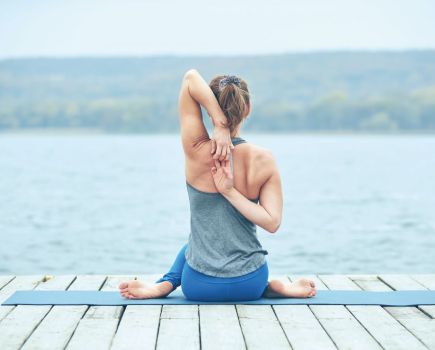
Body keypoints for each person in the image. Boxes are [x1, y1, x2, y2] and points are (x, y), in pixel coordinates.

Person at [118, 69, 316, 301]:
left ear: (207, 108)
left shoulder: (197, 149)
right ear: (248, 108)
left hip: (198, 285)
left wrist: (219, 124)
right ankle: (271, 287)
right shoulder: (264, 159)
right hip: (251, 283)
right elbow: (272, 223)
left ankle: (165, 284)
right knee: (205, 244)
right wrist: (231, 193)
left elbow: (190, 78)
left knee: (194, 245)